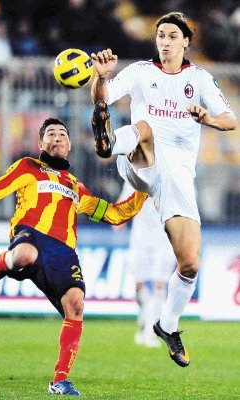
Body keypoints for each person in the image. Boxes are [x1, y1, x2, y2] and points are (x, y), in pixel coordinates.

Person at [0, 117, 148, 396]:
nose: (57, 137)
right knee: (24, 255)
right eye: (50, 134)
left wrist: (143, 192)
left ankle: (60, 380)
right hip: (29, 234)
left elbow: (115, 214)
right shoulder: (28, 167)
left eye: (62, 134)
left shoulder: (76, 187)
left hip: (63, 251)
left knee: (75, 304)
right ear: (41, 143)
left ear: (68, 145)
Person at [90, 11, 237, 367]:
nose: (165, 42)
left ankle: (167, 325)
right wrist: (99, 78)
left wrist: (207, 118)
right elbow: (103, 97)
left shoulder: (199, 79)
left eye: (172, 36)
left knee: (190, 264)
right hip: (139, 162)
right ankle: (109, 140)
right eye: (160, 36)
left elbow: (230, 120)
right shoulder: (141, 71)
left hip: (176, 180)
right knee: (145, 128)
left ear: (186, 41)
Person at [117, 182, 176, 348]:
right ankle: (144, 318)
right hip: (140, 237)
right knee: (139, 285)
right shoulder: (133, 179)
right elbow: (122, 205)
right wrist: (119, 221)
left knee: (159, 283)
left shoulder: (169, 177)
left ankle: (152, 330)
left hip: (164, 238)